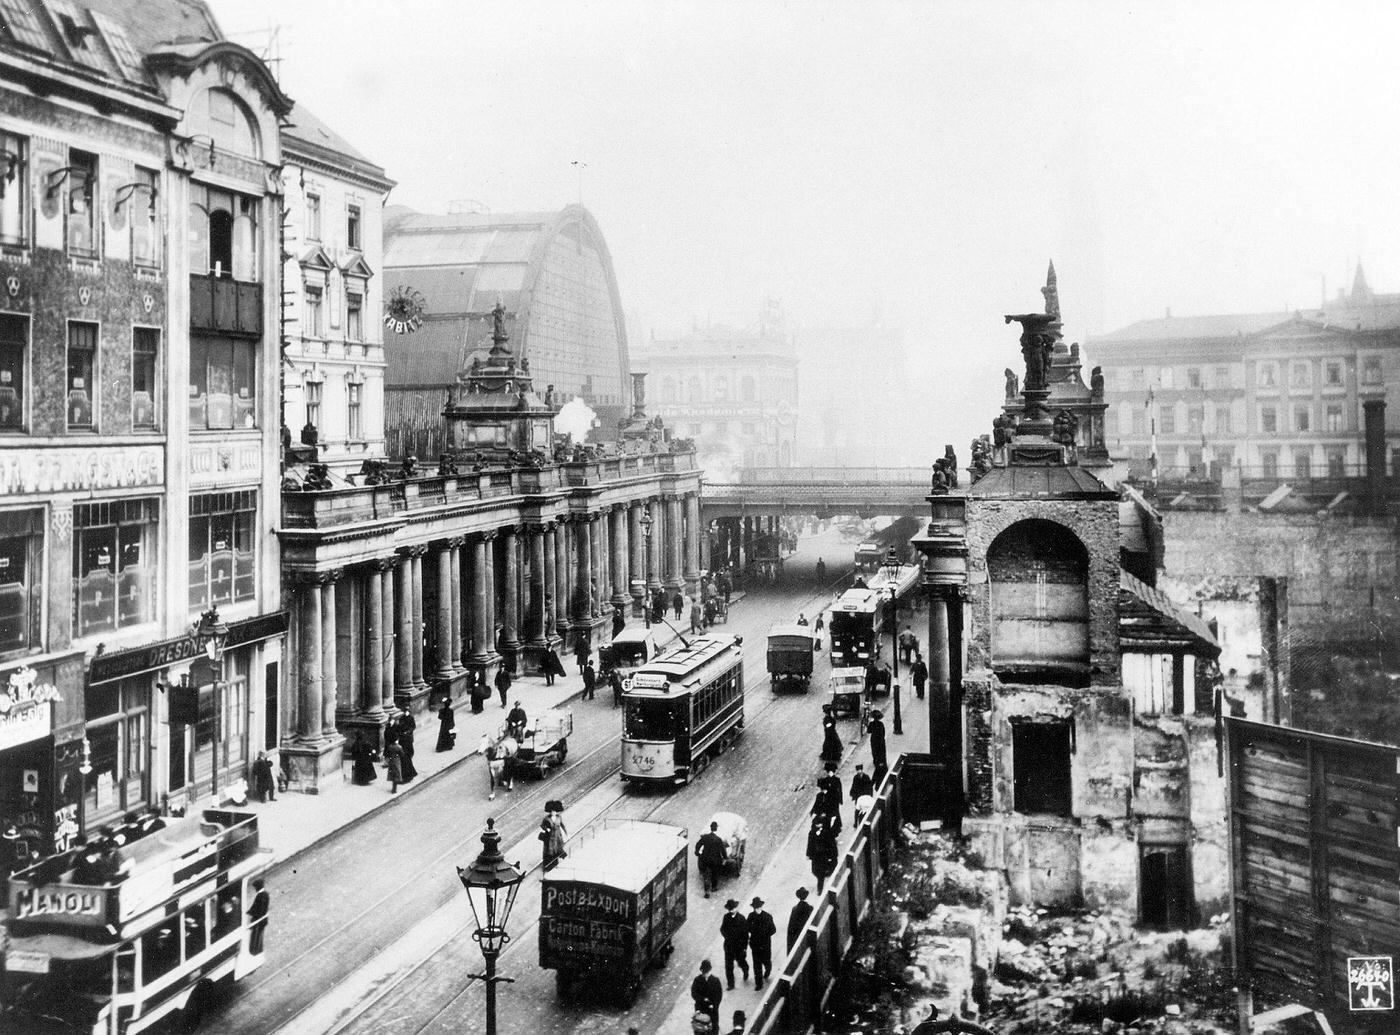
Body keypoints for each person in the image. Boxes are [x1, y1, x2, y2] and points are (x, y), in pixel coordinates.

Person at [720, 897, 750, 989]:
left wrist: (744, 948)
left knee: (741, 962)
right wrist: (727, 936)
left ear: (736, 908)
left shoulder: (741, 919)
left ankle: (745, 970)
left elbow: (745, 935)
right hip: (729, 947)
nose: (732, 910)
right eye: (730, 909)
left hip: (739, 947)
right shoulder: (726, 917)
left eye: (733, 908)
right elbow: (722, 929)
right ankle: (731, 984)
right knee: (729, 967)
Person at [747, 897, 776, 989]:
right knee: (757, 965)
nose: (758, 909)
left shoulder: (767, 916)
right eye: (756, 908)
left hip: (765, 944)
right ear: (754, 908)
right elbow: (747, 928)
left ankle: (768, 970)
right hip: (755, 944)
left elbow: (773, 930)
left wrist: (764, 934)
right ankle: (758, 984)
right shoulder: (751, 916)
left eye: (759, 907)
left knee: (766, 961)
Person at [695, 820, 728, 898]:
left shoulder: (705, 837)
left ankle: (707, 890)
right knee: (714, 873)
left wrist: (697, 852)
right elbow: (722, 850)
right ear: (716, 828)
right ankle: (714, 887)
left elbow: (698, 844)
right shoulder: (718, 839)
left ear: (710, 828)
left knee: (706, 875)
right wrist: (725, 858)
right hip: (715, 860)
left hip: (705, 858)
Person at [807, 813, 838, 893]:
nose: (818, 825)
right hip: (816, 856)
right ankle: (821, 884)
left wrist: (832, 855)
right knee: (816, 871)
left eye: (819, 824)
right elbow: (810, 844)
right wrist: (808, 854)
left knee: (822, 873)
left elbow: (831, 844)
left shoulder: (826, 833)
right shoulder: (811, 833)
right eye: (817, 824)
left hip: (824, 856)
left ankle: (820, 889)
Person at [690, 960, 723, 1034]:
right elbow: (694, 993)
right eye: (704, 972)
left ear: (709, 970)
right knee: (700, 1029)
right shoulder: (697, 980)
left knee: (713, 1029)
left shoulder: (715, 981)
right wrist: (703, 999)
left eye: (706, 972)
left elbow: (719, 996)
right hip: (700, 1009)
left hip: (712, 1010)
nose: (705, 974)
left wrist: (714, 1005)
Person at [540, 802, 568, 871]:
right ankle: (549, 864)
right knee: (550, 850)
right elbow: (542, 825)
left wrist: (566, 833)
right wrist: (546, 829)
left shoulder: (559, 817)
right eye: (552, 811)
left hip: (558, 836)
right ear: (550, 811)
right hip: (550, 837)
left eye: (555, 811)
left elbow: (562, 825)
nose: (553, 812)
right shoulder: (546, 819)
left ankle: (557, 861)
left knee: (558, 848)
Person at [247, 878, 270, 954]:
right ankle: (259, 950)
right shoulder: (266, 894)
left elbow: (256, 908)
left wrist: (249, 912)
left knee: (255, 936)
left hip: (258, 920)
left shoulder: (259, 896)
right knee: (260, 936)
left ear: (258, 887)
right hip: (263, 920)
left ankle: (255, 951)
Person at [397, 712, 418, 783]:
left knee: (409, 755)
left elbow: (413, 726)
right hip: (404, 744)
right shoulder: (401, 719)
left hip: (408, 740)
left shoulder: (410, 718)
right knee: (407, 758)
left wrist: (408, 732)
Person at [868, 709, 888, 784]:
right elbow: (883, 733)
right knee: (882, 751)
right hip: (880, 740)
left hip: (874, 740)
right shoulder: (881, 724)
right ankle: (883, 761)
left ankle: (876, 761)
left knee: (874, 752)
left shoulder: (871, 724)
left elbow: (868, 731)